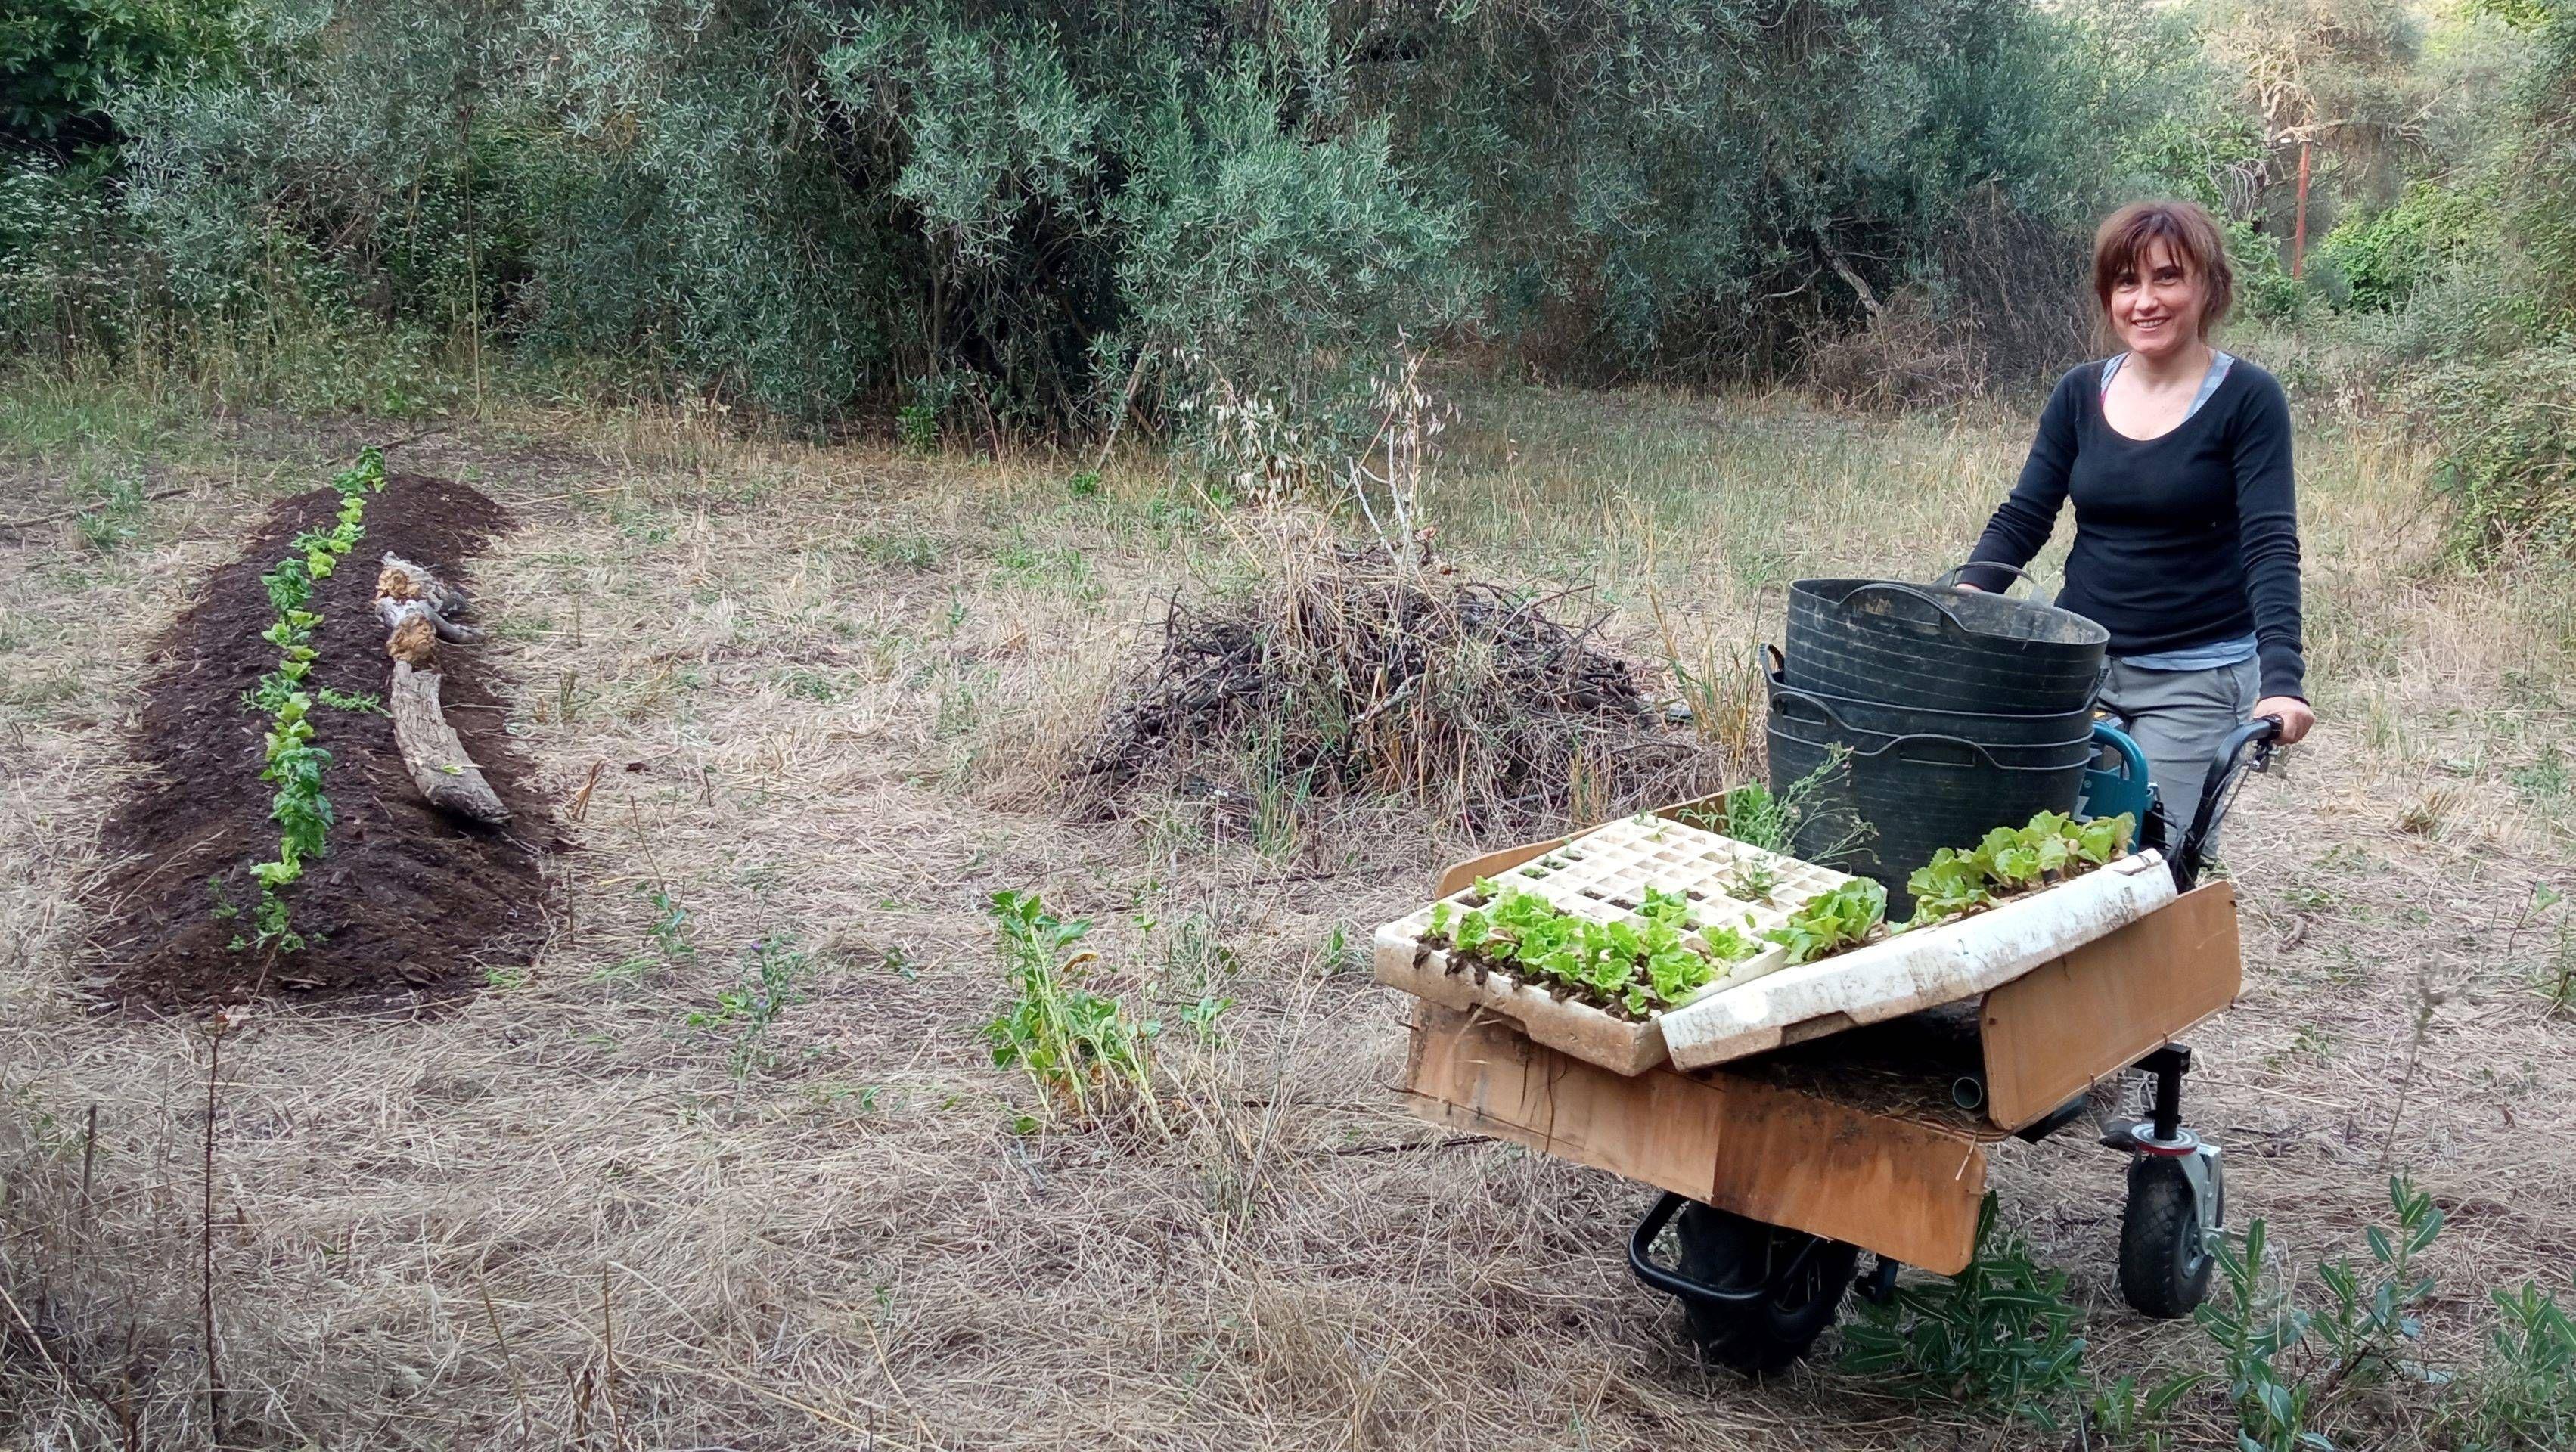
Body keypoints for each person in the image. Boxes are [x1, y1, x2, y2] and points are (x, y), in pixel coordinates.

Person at [1958, 199, 2314, 841]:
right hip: (2080, 664)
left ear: (2208, 287)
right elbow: (2025, 517)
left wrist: (2283, 680)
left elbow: (2269, 545)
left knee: (2143, 859)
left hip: (2195, 679)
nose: (2145, 301)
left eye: (2167, 277)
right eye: (2127, 283)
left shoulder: (2248, 399)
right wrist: (1962, 602)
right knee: (2041, 848)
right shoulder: (2079, 392)